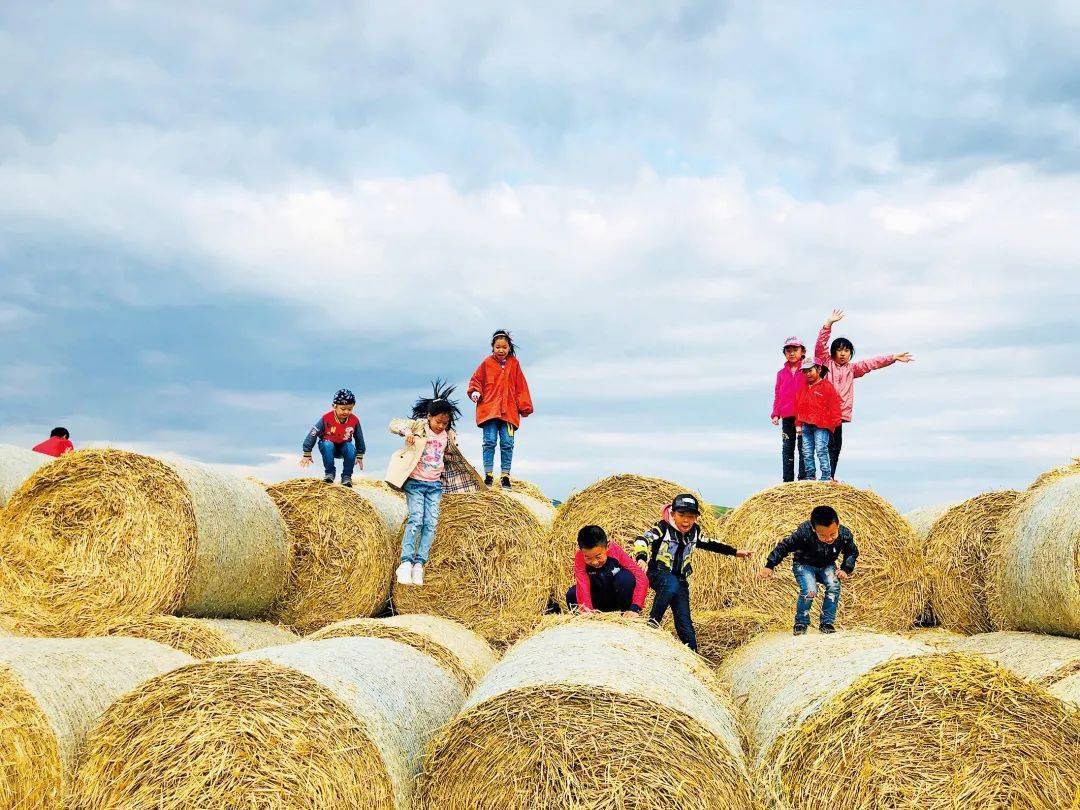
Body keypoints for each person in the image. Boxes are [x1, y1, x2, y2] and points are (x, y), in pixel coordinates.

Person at [386, 382, 480, 587]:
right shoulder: (418, 427)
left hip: (435, 485)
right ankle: (405, 563)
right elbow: (393, 424)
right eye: (438, 422)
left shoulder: (449, 435)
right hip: (416, 483)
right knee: (416, 519)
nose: (441, 426)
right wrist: (406, 432)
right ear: (429, 416)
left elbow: (455, 457)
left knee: (431, 524)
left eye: (445, 423)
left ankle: (420, 564)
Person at [632, 494, 753, 650]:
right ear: (673, 513)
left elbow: (711, 544)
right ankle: (652, 624)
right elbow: (641, 540)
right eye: (681, 515)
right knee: (670, 583)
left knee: (685, 624)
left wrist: (735, 552)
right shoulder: (662, 527)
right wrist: (641, 557)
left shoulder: (694, 531)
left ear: (696, 518)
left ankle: (692, 654)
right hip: (658, 573)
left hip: (680, 580)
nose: (686, 520)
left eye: (691, 516)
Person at [816, 309, 914, 477]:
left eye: (846, 350)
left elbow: (872, 363)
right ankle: (823, 476)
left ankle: (830, 476)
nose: (842, 353)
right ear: (833, 352)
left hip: (838, 413)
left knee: (836, 445)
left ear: (850, 353)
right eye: (839, 350)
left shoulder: (852, 369)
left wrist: (893, 358)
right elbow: (820, 347)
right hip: (824, 412)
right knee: (823, 444)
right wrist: (828, 324)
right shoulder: (826, 366)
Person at [758, 504, 858, 635]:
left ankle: (827, 623)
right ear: (813, 529)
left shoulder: (845, 535)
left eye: (832, 534)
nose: (828, 539)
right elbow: (784, 546)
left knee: (834, 585)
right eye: (822, 535)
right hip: (804, 565)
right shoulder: (804, 533)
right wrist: (770, 565)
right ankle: (801, 622)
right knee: (810, 590)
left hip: (827, 565)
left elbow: (852, 552)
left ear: (838, 525)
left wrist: (845, 569)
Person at [467, 329, 534, 490]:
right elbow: (476, 380)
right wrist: (475, 391)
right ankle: (488, 475)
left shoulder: (514, 364)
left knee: (507, 442)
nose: (501, 350)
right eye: (498, 347)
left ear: (509, 347)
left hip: (509, 411)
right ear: (492, 347)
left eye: (504, 347)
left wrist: (524, 406)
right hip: (489, 410)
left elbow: (521, 386)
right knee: (489, 441)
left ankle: (505, 476)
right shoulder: (486, 363)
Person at [567, 525, 649, 617]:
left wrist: (635, 607)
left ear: (607, 546)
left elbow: (641, 577)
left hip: (616, 597)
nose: (594, 562)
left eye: (598, 556)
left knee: (626, 578)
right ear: (582, 551)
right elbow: (583, 584)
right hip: (597, 598)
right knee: (572, 594)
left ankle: (627, 614)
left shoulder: (615, 550)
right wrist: (587, 611)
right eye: (588, 558)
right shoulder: (580, 556)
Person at [300, 389, 365, 486]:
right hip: (328, 446)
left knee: (350, 448)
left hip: (343, 447)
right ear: (334, 406)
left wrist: (360, 454)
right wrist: (307, 452)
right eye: (343, 409)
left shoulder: (354, 420)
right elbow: (313, 433)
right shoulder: (326, 418)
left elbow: (359, 437)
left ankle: (346, 477)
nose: (346, 412)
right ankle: (330, 473)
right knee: (327, 444)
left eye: (350, 409)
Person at [795, 362, 842, 482]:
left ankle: (826, 476)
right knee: (806, 451)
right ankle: (810, 476)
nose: (808, 374)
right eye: (805, 372)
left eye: (810, 370)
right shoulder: (803, 388)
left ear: (819, 369)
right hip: (806, 425)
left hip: (821, 425)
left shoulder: (827, 386)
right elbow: (799, 407)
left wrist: (834, 423)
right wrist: (798, 424)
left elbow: (834, 406)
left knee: (821, 449)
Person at [771, 336, 808, 482]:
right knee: (787, 448)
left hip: (804, 416)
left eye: (795, 350)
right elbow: (778, 394)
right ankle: (787, 480)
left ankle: (803, 479)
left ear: (802, 351)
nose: (792, 353)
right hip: (787, 416)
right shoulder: (781, 374)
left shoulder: (806, 370)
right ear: (785, 353)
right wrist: (776, 413)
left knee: (803, 447)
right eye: (788, 350)